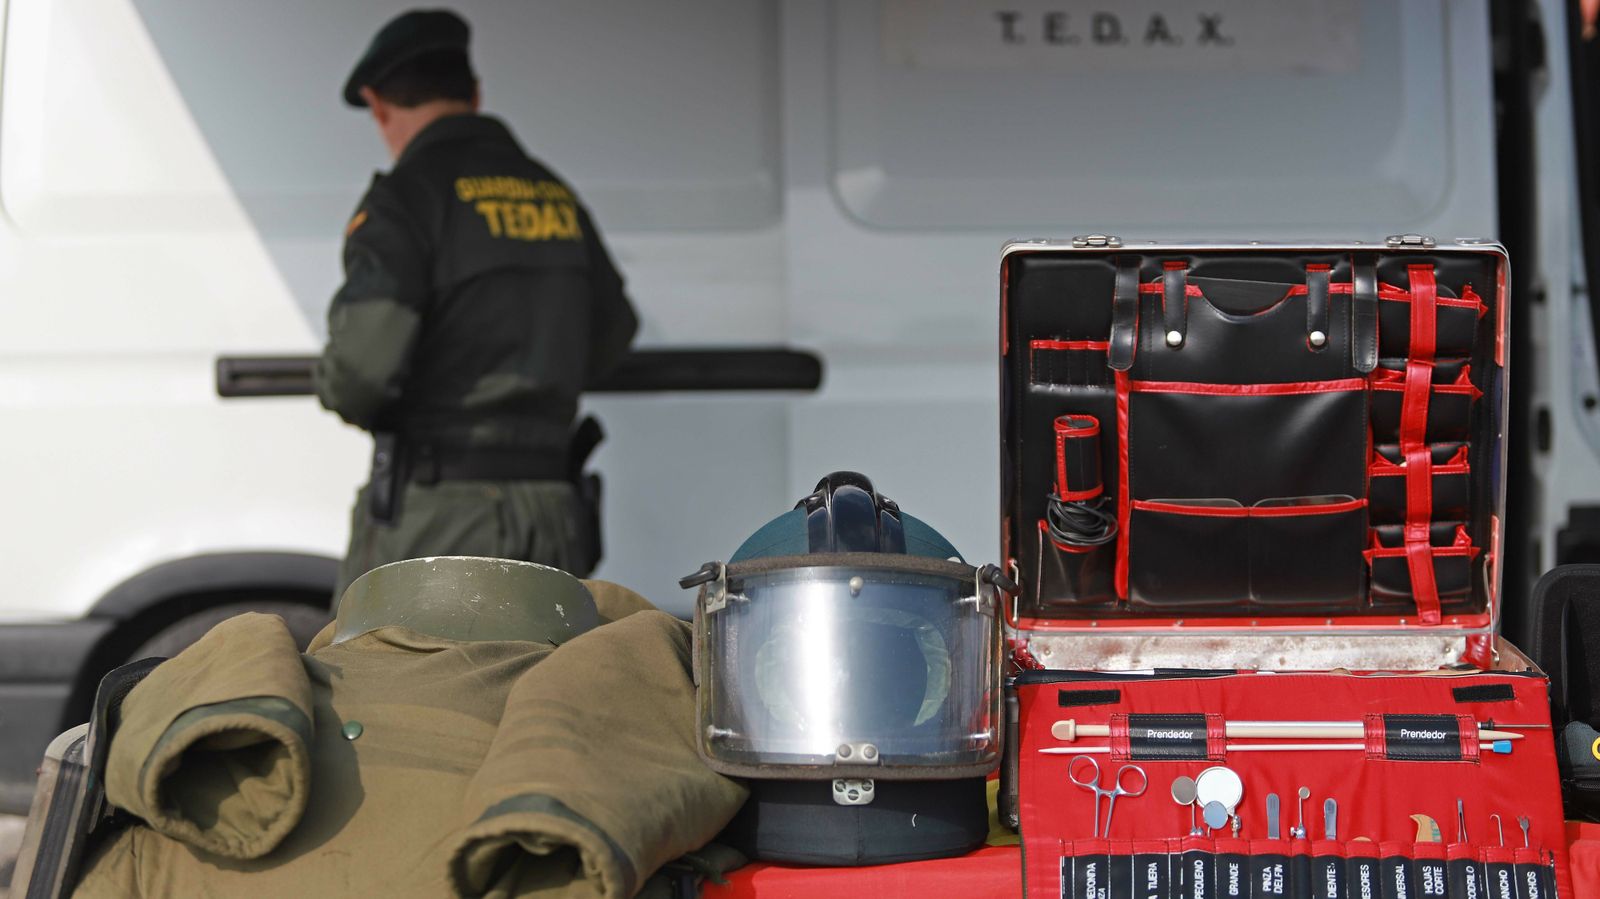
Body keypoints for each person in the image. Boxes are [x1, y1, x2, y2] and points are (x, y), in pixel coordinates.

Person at [316, 9, 638, 596]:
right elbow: (615, 329)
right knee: (546, 686)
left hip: (441, 520)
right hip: (554, 512)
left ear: (379, 104)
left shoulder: (405, 201)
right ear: (474, 93)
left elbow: (359, 372)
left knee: (405, 684)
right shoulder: (550, 190)